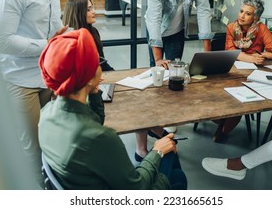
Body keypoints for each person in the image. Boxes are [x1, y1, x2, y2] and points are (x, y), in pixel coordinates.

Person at [38, 28, 187, 189]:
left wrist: (93, 90)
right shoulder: (101, 138)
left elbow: (94, 121)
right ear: (87, 77)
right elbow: (136, 187)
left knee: (173, 167)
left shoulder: (46, 114)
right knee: (174, 166)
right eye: (96, 62)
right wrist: (156, 152)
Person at [0, 0, 69, 182]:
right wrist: (47, 44)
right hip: (20, 81)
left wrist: (63, 38)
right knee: (32, 151)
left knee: (53, 140)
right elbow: (0, 41)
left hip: (48, 78)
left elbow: (52, 32)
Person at [212, 0, 272, 142]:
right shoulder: (231, 27)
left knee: (242, 97)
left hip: (252, 73)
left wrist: (260, 55)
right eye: (241, 11)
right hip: (231, 70)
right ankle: (221, 119)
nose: (242, 16)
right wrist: (250, 58)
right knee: (221, 93)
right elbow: (230, 51)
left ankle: (224, 129)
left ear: (256, 17)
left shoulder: (261, 28)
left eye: (248, 13)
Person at [63, 0, 114, 71]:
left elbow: (101, 61)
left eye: (92, 7)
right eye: (88, 9)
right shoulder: (68, 38)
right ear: (77, 13)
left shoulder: (93, 31)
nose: (94, 12)